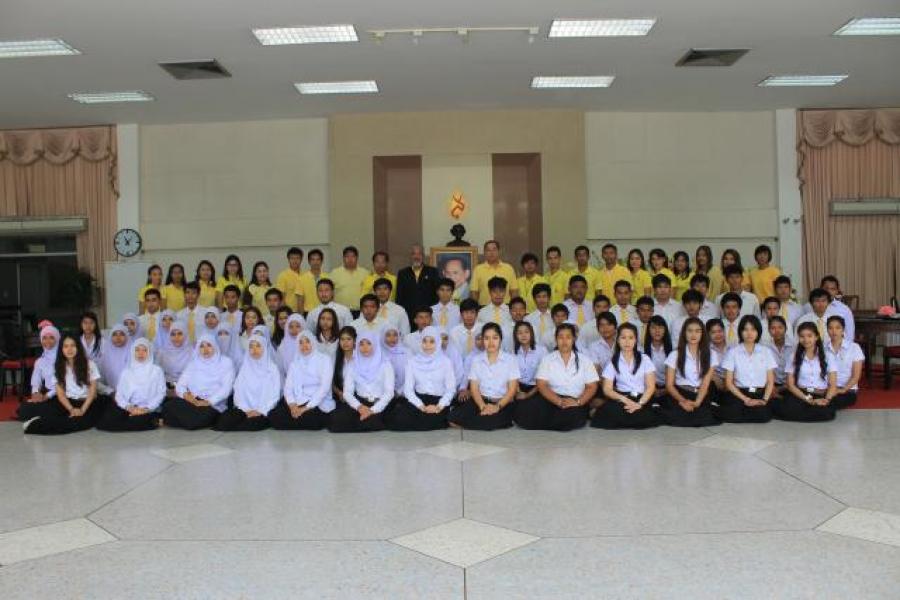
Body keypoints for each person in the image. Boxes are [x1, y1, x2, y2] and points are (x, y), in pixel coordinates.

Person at [514, 323, 598, 431]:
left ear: (574, 339)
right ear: (556, 339)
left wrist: (578, 402)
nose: (564, 341)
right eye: (560, 337)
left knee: (571, 416)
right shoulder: (548, 359)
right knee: (523, 409)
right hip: (551, 398)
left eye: (568, 337)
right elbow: (542, 384)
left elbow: (592, 386)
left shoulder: (585, 360)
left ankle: (549, 422)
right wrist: (558, 401)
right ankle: (553, 421)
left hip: (574, 401)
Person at [23, 334, 106, 435]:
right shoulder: (58, 367)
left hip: (88, 402)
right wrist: (71, 409)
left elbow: (92, 392)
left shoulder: (90, 364)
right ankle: (36, 423)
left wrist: (82, 410)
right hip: (68, 402)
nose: (69, 349)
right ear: (61, 349)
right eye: (66, 346)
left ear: (78, 347)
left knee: (80, 423)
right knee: (35, 410)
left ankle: (36, 425)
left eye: (73, 345)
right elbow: (61, 394)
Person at [449, 322, 520, 430]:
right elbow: (474, 388)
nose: (491, 342)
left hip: (502, 403)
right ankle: (480, 420)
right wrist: (482, 406)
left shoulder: (511, 360)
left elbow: (512, 390)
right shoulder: (476, 360)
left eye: (495, 338)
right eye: (487, 338)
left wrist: (497, 407)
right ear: (483, 340)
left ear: (500, 339)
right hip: (481, 400)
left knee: (486, 423)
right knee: (452, 418)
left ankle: (498, 419)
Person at [591, 323, 661, 429]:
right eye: (623, 338)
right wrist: (625, 400)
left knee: (649, 415)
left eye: (631, 338)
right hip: (622, 398)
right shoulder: (613, 361)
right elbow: (607, 389)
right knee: (611, 411)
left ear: (635, 340)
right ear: (618, 340)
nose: (627, 342)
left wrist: (639, 404)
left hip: (642, 398)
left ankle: (627, 419)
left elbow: (651, 387)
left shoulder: (644, 359)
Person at [387, 326, 455, 431]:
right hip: (418, 400)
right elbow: (408, 390)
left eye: (432, 342)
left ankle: (443, 415)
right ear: (420, 342)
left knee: (431, 420)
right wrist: (421, 406)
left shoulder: (446, 362)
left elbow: (450, 390)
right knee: (396, 420)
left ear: (438, 343)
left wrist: (438, 406)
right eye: (424, 341)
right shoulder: (412, 362)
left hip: (438, 401)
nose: (427, 345)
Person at [162, 334, 235, 430]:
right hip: (193, 401)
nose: (205, 349)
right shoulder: (194, 363)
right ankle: (189, 420)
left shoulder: (226, 362)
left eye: (209, 345)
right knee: (167, 406)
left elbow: (226, 389)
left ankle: (184, 421)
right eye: (202, 346)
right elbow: (180, 385)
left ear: (215, 346)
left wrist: (208, 401)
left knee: (194, 420)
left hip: (213, 404)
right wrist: (186, 395)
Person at [328, 330, 395, 433]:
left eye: (368, 343)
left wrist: (372, 410)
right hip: (360, 402)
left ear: (375, 345)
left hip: (380, 403)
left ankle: (370, 420)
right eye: (361, 344)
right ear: (357, 346)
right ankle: (370, 421)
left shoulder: (385, 364)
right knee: (335, 420)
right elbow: (347, 393)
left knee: (390, 419)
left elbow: (389, 392)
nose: (365, 347)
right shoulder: (353, 364)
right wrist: (360, 407)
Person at [214, 332, 281, 431]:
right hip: (244, 410)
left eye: (258, 346)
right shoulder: (245, 368)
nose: (254, 350)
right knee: (224, 419)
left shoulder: (272, 369)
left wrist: (261, 411)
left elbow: (274, 395)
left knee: (254, 423)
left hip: (263, 411)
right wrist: (246, 410)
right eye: (251, 346)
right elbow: (238, 392)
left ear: (264, 348)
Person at [773, 322, 838, 422]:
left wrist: (826, 400)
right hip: (801, 394)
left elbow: (833, 385)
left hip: (820, 394)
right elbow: (790, 385)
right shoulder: (793, 356)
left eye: (809, 336)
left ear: (816, 337)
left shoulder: (828, 356)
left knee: (826, 412)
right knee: (789, 407)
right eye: (802, 336)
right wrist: (809, 400)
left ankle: (802, 413)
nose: (806, 340)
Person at [269, 331, 335, 430]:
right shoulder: (295, 363)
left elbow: (324, 388)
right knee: (274, 416)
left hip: (317, 401)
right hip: (298, 399)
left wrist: (305, 408)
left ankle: (298, 420)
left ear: (312, 342)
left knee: (312, 419)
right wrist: (292, 406)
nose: (304, 345)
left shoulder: (324, 360)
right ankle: (299, 419)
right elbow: (288, 388)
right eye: (301, 342)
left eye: (307, 341)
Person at [660, 317, 719, 427]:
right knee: (676, 416)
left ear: (702, 334)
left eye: (697, 331)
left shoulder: (711, 354)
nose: (693, 334)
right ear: (684, 333)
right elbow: (669, 385)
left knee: (706, 417)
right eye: (690, 331)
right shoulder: (675, 354)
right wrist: (683, 401)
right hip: (680, 393)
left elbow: (705, 384)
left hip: (701, 393)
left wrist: (697, 402)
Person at [97, 338, 166, 432]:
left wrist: (146, 409)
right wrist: (129, 408)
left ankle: (147, 419)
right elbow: (119, 395)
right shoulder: (126, 372)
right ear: (133, 352)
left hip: (149, 409)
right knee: (105, 421)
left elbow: (161, 393)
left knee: (137, 420)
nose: (140, 353)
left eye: (144, 350)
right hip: (129, 407)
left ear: (149, 352)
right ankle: (150, 421)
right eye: (137, 350)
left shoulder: (157, 371)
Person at [716, 315, 776, 423]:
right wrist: (746, 399)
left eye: (753, 329)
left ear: (758, 332)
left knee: (763, 416)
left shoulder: (766, 351)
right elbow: (729, 383)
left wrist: (764, 400)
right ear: (740, 332)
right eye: (745, 329)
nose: (749, 333)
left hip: (759, 393)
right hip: (739, 393)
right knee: (733, 413)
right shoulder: (733, 352)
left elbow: (770, 381)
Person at [18, 324, 60, 422]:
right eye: (44, 338)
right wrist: (36, 393)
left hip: (63, 395)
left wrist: (46, 396)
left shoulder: (63, 359)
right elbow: (36, 380)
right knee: (23, 409)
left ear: (57, 339)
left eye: (51, 337)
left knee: (46, 410)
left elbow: (63, 383)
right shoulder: (40, 361)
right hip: (48, 396)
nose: (47, 341)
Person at [824, 315, 863, 409]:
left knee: (830, 403)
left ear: (843, 329)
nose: (834, 331)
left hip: (847, 390)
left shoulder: (854, 347)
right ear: (827, 330)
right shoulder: (823, 348)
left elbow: (856, 376)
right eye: (830, 328)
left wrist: (843, 389)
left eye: (837, 328)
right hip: (826, 388)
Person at [396, 244, 440, 325]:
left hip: (427, 316)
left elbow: (437, 294)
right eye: (414, 254)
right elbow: (399, 296)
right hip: (408, 316)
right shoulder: (402, 273)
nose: (416, 256)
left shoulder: (433, 272)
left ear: (423, 256)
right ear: (410, 256)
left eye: (419, 254)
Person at [330, 246, 370, 314]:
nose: (350, 259)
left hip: (360, 311)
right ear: (343, 258)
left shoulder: (365, 273)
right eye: (347, 256)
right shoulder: (334, 273)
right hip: (340, 311)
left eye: (353, 256)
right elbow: (330, 292)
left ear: (357, 258)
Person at [97, 323, 132, 396]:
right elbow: (98, 380)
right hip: (109, 395)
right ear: (110, 337)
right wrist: (110, 391)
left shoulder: (133, 355)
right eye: (115, 334)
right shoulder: (105, 356)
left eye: (122, 334)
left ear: (127, 337)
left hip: (130, 395)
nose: (118, 338)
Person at [158, 321, 192, 392]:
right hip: (166, 389)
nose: (176, 337)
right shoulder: (162, 353)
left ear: (185, 334)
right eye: (173, 334)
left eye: (180, 334)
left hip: (187, 389)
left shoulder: (192, 353)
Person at [765, 315, 793, 395]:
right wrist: (772, 388)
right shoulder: (765, 347)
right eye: (773, 328)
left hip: (791, 385)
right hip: (771, 385)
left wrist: (781, 388)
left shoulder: (794, 346)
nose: (777, 331)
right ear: (769, 330)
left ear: (786, 328)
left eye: (780, 327)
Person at [275, 247, 306, 313]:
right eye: (292, 258)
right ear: (288, 259)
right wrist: (285, 313)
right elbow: (281, 298)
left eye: (297, 258)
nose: (295, 261)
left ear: (301, 259)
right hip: (289, 313)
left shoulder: (305, 275)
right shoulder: (283, 276)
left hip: (303, 312)